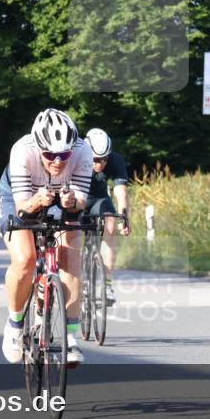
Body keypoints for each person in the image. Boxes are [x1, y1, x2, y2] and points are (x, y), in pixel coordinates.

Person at [0, 109, 93, 365]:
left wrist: (72, 202)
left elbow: (80, 202)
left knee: (70, 259)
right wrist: (36, 201)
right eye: (50, 155)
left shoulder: (83, 150)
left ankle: (71, 338)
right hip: (18, 197)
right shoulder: (22, 150)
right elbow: (21, 208)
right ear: (38, 147)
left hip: (60, 197)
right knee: (25, 260)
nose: (58, 161)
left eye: (64, 154)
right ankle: (14, 325)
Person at [83, 129, 130, 304]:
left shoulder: (116, 160)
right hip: (77, 199)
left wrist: (124, 217)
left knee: (110, 225)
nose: (101, 164)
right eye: (96, 159)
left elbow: (121, 192)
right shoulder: (76, 156)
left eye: (104, 159)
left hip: (99, 200)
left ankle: (108, 284)